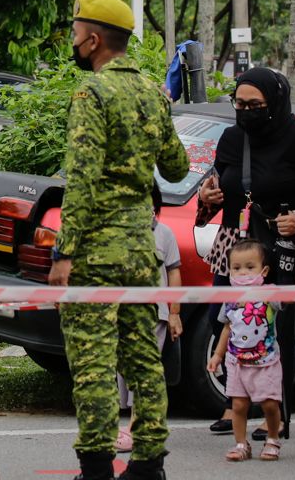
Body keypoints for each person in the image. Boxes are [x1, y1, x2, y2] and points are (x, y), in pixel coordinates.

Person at [48, 0, 190, 480]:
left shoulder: (92, 92)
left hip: (95, 254)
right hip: (140, 249)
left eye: (74, 33)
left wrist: (64, 251)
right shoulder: (152, 92)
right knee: (142, 357)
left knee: (92, 362)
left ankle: (96, 467)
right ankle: (150, 463)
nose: (72, 41)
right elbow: (176, 166)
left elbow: (82, 178)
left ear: (93, 39)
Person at [195, 68, 295, 439]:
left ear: (275, 102)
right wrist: (207, 199)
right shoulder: (230, 139)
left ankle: (278, 412)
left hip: (278, 251)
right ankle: (233, 404)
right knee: (226, 321)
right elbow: (216, 185)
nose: (245, 111)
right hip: (234, 248)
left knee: (274, 329)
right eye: (239, 104)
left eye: (255, 105)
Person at [115, 189, 182, 455]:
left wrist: (175, 312)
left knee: (143, 368)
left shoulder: (164, 234)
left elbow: (173, 272)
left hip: (155, 313)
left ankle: (136, 428)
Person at [207, 240, 284, 462]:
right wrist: (217, 355)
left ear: (264, 270)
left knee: (269, 404)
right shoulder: (230, 298)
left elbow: (287, 302)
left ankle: (272, 439)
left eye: (250, 267)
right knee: (239, 405)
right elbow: (226, 327)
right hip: (236, 361)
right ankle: (241, 444)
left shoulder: (269, 293)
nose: (243, 273)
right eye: (237, 268)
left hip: (265, 360)